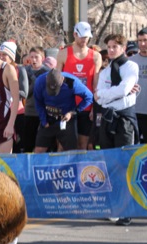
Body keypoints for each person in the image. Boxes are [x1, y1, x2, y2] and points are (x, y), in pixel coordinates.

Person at [95, 34, 139, 226]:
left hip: (124, 119)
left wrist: (110, 94)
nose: (111, 50)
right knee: (109, 163)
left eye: (115, 47)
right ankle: (113, 207)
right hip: (107, 117)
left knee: (124, 163)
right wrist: (110, 95)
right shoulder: (105, 71)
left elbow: (124, 89)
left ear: (122, 48)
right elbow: (98, 96)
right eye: (109, 46)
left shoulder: (130, 66)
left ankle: (126, 210)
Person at [56, 21, 102, 150]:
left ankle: (79, 170)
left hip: (86, 106)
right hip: (67, 105)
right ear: (75, 34)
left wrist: (95, 107)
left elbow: (96, 84)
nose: (84, 40)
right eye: (82, 36)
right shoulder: (64, 53)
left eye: (87, 37)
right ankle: (61, 169)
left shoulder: (96, 56)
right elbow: (56, 80)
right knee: (63, 144)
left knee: (83, 144)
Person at [33, 69, 93, 153]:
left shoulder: (72, 82)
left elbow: (89, 97)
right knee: (39, 149)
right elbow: (38, 102)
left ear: (62, 79)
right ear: (46, 79)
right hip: (48, 118)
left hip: (66, 119)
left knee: (69, 151)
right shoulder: (39, 81)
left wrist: (74, 112)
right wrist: (43, 120)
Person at [0, 41, 30, 153]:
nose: (1, 57)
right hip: (0, 113)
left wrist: (8, 90)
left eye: (4, 55)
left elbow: (24, 92)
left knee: (18, 144)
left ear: (11, 56)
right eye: (0, 54)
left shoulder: (19, 69)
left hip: (17, 112)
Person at [23, 47, 51, 153]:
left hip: (44, 113)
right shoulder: (25, 71)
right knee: (28, 143)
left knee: (42, 144)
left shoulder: (47, 72)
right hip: (29, 111)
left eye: (36, 57)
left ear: (42, 58)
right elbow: (24, 92)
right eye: (31, 57)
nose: (34, 60)